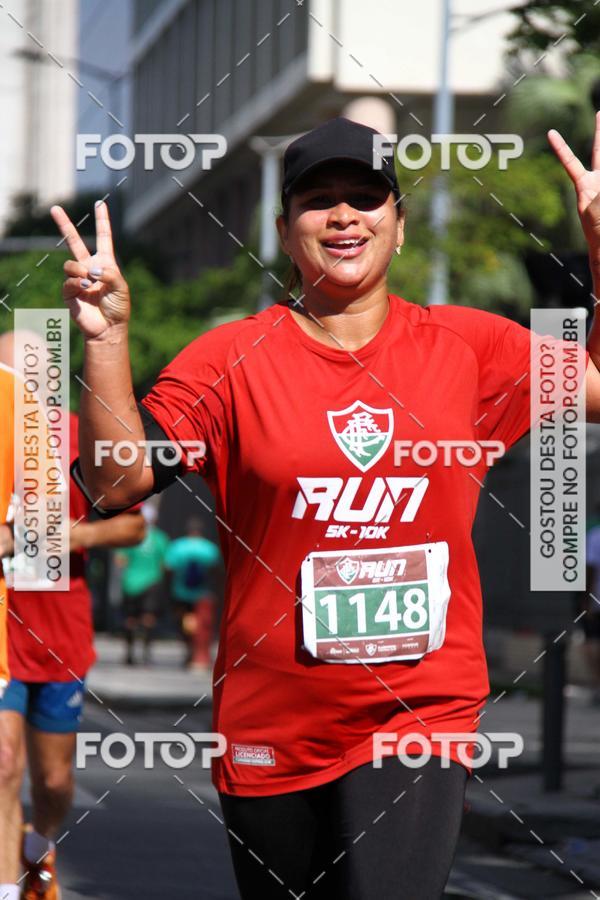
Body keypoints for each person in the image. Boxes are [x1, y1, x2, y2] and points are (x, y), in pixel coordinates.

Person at [50, 114, 600, 899]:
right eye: (319, 200)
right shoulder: (229, 358)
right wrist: (106, 340)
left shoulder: (472, 348)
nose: (344, 215)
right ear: (284, 230)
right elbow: (114, 484)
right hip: (272, 723)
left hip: (419, 718)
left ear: (399, 227)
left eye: (366, 197)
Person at [0, 350, 145, 900]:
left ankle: (39, 844)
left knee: (55, 781)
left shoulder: (81, 440)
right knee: (4, 762)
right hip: (3, 639)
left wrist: (59, 537)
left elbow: (132, 527)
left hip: (59, 638)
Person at [164, 517, 222, 670]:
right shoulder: (209, 548)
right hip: (202, 593)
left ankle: (190, 650)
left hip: (181, 592)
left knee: (184, 621)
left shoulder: (177, 546)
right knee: (202, 624)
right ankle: (197, 652)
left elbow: (168, 569)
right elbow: (216, 572)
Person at [115, 503, 169, 665]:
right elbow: (165, 564)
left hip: (131, 582)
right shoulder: (160, 538)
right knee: (149, 618)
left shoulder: (130, 536)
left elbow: (120, 561)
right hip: (151, 582)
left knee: (130, 619)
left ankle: (129, 654)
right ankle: (146, 654)